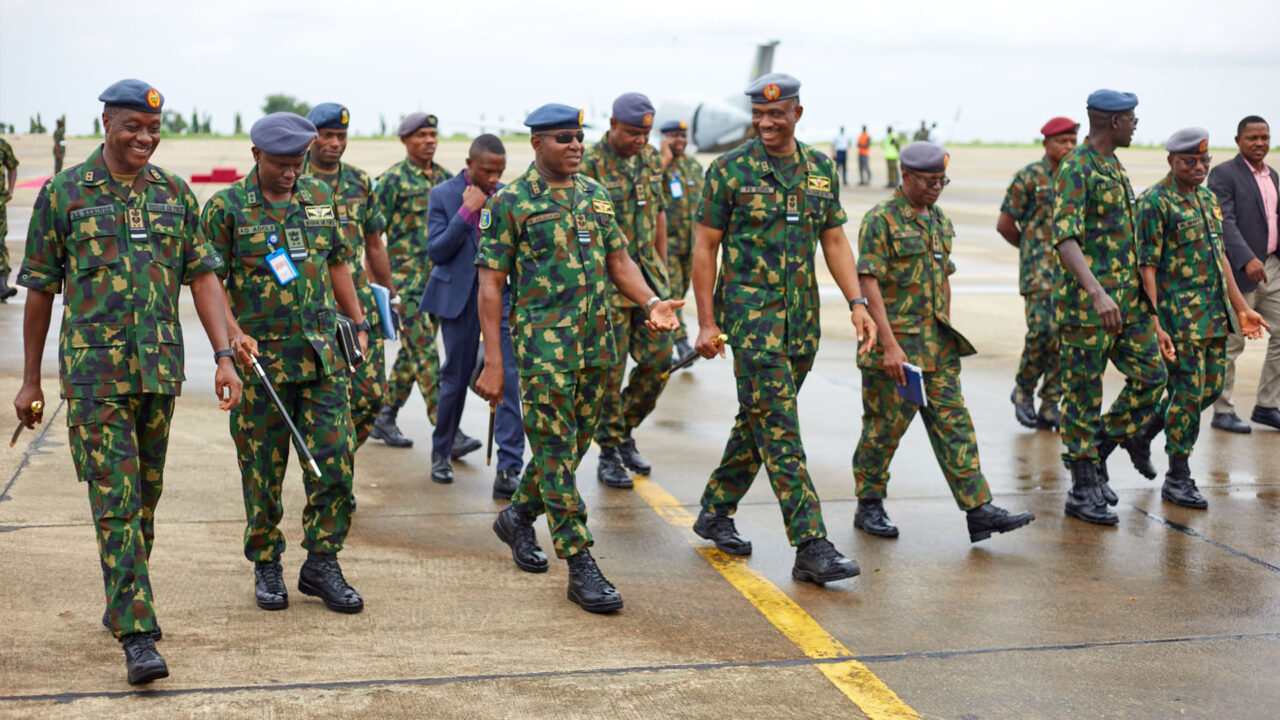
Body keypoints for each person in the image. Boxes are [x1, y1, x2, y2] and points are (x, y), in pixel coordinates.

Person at [13, 79, 242, 685]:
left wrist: (223, 355)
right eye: (132, 126)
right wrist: (31, 379)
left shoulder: (174, 194)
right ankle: (139, 634)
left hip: (159, 371)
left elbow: (204, 277)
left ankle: (121, 600)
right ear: (108, 123)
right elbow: (38, 289)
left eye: (152, 128)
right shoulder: (66, 194)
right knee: (114, 503)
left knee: (143, 501)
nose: (144, 137)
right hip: (94, 377)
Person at [474, 103, 681, 613]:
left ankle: (519, 517)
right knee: (553, 450)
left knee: (568, 448)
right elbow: (490, 285)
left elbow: (619, 260)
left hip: (598, 344)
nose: (574, 145)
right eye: (563, 137)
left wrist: (651, 301)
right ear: (537, 144)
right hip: (543, 349)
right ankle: (580, 560)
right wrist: (495, 361)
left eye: (579, 137)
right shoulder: (513, 202)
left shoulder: (595, 194)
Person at [690, 73, 870, 584]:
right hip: (750, 323)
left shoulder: (818, 168)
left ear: (797, 113)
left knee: (761, 419)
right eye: (758, 114)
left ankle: (715, 509)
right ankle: (811, 544)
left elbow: (833, 239)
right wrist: (706, 322)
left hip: (800, 324)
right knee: (782, 431)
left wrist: (856, 302)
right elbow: (705, 247)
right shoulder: (729, 170)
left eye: (776, 113)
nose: (766, 122)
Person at [203, 112, 370, 615]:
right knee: (262, 472)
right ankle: (267, 562)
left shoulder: (320, 198)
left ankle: (322, 561)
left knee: (335, 461)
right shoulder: (226, 208)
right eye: (280, 163)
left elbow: (337, 260)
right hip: (261, 365)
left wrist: (359, 321)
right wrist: (232, 335)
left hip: (320, 359)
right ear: (256, 156)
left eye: (296, 162)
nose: (290, 172)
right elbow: (208, 280)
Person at [853, 142, 1037, 542]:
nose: (937, 187)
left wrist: (946, 328)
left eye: (942, 180)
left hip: (937, 348)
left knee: (956, 427)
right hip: (897, 349)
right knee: (883, 430)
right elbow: (868, 283)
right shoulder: (880, 220)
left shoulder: (939, 220)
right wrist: (888, 344)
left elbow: (944, 279)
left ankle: (978, 509)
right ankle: (869, 504)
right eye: (929, 180)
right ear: (905, 176)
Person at [1052, 89, 1168, 526]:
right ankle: (1082, 487)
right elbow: (1065, 237)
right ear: (1113, 121)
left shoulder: (1114, 166)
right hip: (1089, 306)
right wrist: (1097, 292)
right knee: (1082, 392)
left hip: (1128, 304)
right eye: (1132, 118)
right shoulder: (1077, 168)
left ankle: (1096, 449)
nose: (1136, 124)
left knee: (1152, 376)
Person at [1136, 128, 1267, 508]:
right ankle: (1178, 476)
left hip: (1212, 315)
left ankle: (1144, 431)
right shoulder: (1154, 203)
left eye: (1203, 160)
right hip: (1178, 320)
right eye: (1188, 161)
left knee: (1208, 391)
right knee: (1189, 394)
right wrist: (1156, 323)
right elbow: (1147, 268)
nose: (1198, 167)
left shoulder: (1207, 199)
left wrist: (1241, 307)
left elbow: (1220, 256)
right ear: (1171, 162)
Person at [421, 134, 525, 495]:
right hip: (460, 299)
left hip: (503, 299)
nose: (494, 179)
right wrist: (466, 213)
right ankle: (441, 451)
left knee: (507, 378)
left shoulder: (509, 198)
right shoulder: (444, 195)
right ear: (470, 164)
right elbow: (437, 251)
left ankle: (510, 466)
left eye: (499, 171)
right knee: (456, 377)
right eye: (487, 171)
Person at [372, 113, 480, 457]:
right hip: (405, 286)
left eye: (433, 134)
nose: (429, 140)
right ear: (406, 141)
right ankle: (448, 431)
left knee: (413, 354)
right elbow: (373, 238)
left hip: (439, 282)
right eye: (421, 135)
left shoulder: (448, 181)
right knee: (427, 355)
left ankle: (384, 416)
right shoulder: (392, 181)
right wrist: (384, 290)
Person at [581, 93, 673, 489]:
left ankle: (624, 431)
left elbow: (659, 214)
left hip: (647, 279)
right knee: (609, 375)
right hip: (607, 283)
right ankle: (609, 452)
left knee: (659, 361)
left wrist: (664, 272)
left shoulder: (652, 159)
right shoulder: (588, 165)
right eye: (634, 132)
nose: (640, 140)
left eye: (646, 133)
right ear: (614, 125)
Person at [302, 103, 397, 450]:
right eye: (327, 135)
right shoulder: (294, 178)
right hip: (317, 303)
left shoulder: (359, 181)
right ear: (312, 137)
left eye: (341, 136)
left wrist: (390, 294)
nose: (335, 142)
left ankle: (341, 461)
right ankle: (333, 476)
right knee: (330, 401)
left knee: (372, 396)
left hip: (359, 302)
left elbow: (374, 243)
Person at [997, 116, 1079, 430]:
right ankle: (1024, 388)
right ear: (1046, 143)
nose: (1069, 147)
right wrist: (1032, 249)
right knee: (1043, 332)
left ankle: (1050, 403)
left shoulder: (1079, 178)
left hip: (1073, 273)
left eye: (1073, 142)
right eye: (1062, 142)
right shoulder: (1028, 178)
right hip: (1039, 272)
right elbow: (1005, 225)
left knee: (1065, 338)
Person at [1209, 116, 1280, 434]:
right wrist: (1246, 258)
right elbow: (1225, 222)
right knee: (1232, 344)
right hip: (1238, 272)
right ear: (1238, 140)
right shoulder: (1223, 174)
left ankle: (1267, 405)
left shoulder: (1273, 175)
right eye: (1252, 138)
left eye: (1265, 137)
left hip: (1272, 268)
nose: (1260, 143)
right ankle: (1222, 411)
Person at [659, 119, 704, 367]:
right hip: (668, 245)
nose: (680, 141)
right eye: (674, 136)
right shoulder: (657, 165)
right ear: (663, 138)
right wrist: (663, 160)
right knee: (672, 291)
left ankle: (675, 341)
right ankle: (682, 342)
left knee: (682, 293)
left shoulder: (693, 166)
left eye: (683, 136)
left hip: (692, 245)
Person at [0, 133, 17, 300]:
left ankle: (2, 284)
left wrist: (10, 190)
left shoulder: (3, 145)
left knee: (0, 243)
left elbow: (12, 166)